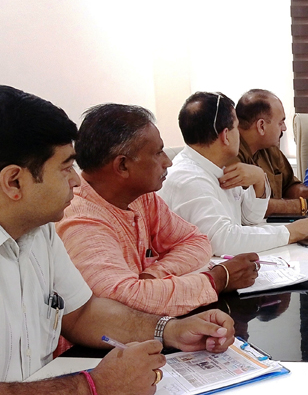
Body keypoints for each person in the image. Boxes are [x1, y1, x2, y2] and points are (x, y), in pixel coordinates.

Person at [0, 85, 237, 395]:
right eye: (66, 168)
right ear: (14, 182)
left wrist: (170, 330)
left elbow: (82, 313)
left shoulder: (40, 232)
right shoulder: (73, 221)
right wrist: (95, 387)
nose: (77, 182)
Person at [56, 104, 258, 317]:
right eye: (158, 152)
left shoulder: (141, 197)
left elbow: (196, 241)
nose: (168, 162)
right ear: (122, 166)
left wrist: (153, 275)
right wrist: (217, 279)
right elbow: (121, 301)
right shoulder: (81, 219)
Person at [158, 92, 308, 255]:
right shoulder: (190, 179)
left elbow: (250, 217)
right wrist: (290, 232)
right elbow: (223, 241)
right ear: (225, 136)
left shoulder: (216, 166)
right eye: (236, 127)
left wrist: (260, 178)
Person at [236, 89, 308, 215]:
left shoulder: (269, 148)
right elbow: (248, 207)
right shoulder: (230, 153)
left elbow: (289, 186)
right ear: (261, 126)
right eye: (281, 122)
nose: (284, 128)